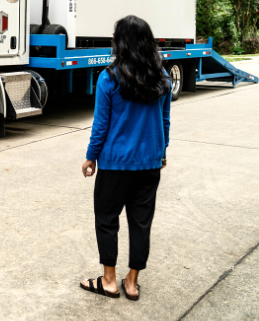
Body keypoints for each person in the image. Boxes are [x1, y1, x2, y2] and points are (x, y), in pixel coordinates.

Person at [79, 15, 171, 301]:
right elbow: (164, 120)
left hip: (116, 164)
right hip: (149, 163)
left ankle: (108, 280)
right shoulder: (163, 77)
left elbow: (101, 125)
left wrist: (91, 157)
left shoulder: (109, 77)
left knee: (107, 218)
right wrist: (162, 150)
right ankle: (131, 283)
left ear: (120, 42)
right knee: (141, 222)